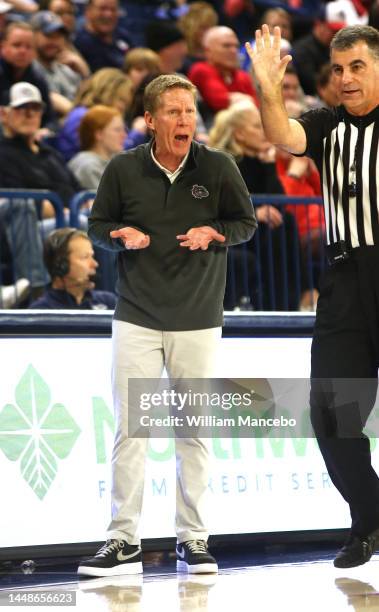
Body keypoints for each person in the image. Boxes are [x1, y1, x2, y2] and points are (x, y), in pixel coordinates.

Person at [77, 73, 256, 577]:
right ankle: (121, 541)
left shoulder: (218, 166)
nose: (185, 121)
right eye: (174, 112)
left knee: (192, 432)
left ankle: (193, 540)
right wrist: (118, 234)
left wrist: (214, 232)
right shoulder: (122, 169)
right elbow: (96, 226)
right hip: (136, 315)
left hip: (198, 318)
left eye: (190, 111)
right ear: (151, 120)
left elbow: (246, 223)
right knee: (130, 432)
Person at [246, 23, 379, 568]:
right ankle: (369, 515)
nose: (345, 79)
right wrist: (267, 88)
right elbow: (284, 136)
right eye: (338, 69)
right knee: (330, 412)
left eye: (358, 67)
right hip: (345, 282)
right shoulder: (328, 124)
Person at [28, 228, 116, 309]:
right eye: (85, 257)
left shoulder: (109, 302)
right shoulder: (41, 312)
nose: (95, 264)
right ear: (61, 266)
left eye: (92, 256)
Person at [188, 25, 258, 123]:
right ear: (208, 51)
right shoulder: (201, 70)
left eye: (236, 46)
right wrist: (245, 100)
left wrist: (239, 99)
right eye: (227, 46)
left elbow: (257, 106)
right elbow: (219, 101)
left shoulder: (242, 76)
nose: (234, 51)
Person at [68, 104, 126, 189]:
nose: (124, 135)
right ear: (99, 134)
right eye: (117, 130)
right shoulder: (89, 166)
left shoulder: (116, 161)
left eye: (123, 129)